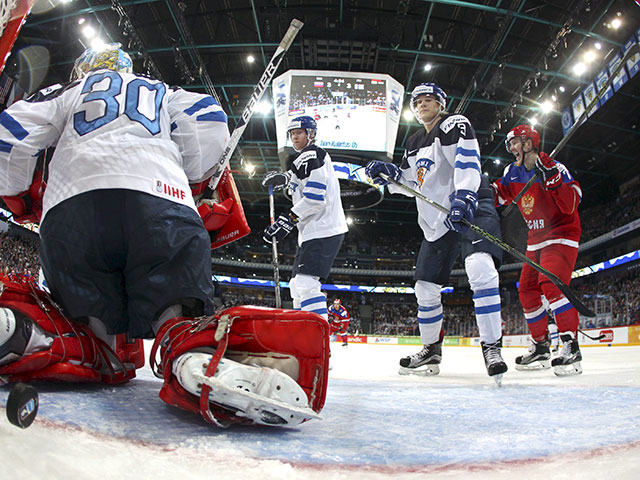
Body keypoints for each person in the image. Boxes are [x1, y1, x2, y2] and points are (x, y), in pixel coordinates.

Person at [0, 44, 329, 427]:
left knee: (92, 337)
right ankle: (191, 355)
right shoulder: (162, 90)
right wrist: (192, 175)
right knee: (175, 313)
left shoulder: (66, 92)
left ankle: (27, 334)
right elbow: (208, 118)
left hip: (73, 208)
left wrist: (19, 193)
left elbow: (11, 132)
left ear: (81, 70)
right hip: (160, 201)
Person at [365, 82, 507, 381]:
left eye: (428, 100)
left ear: (441, 104)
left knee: (480, 267)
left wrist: (464, 196)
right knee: (425, 287)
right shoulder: (415, 141)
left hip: (468, 202)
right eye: (417, 103)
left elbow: (467, 162)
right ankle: (431, 349)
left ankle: (492, 347)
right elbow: (410, 183)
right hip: (437, 217)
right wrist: (388, 175)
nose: (422, 106)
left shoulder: (455, 123)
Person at [493, 124, 583, 376]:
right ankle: (541, 347)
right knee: (528, 292)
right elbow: (498, 194)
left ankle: (570, 346)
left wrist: (553, 178)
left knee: (552, 285)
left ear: (529, 142)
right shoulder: (512, 172)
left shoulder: (555, 168)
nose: (511, 148)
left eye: (515, 143)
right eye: (510, 144)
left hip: (561, 235)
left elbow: (570, 205)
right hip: (536, 239)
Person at [262, 116, 348, 320]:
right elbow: (296, 178)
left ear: (311, 134)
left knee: (306, 284)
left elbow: (316, 198)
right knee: (297, 286)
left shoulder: (311, 155)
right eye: (292, 134)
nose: (295, 137)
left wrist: (289, 219)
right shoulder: (301, 160)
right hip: (311, 231)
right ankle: (301, 335)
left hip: (323, 228)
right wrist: (284, 177)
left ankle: (316, 340)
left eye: (299, 133)